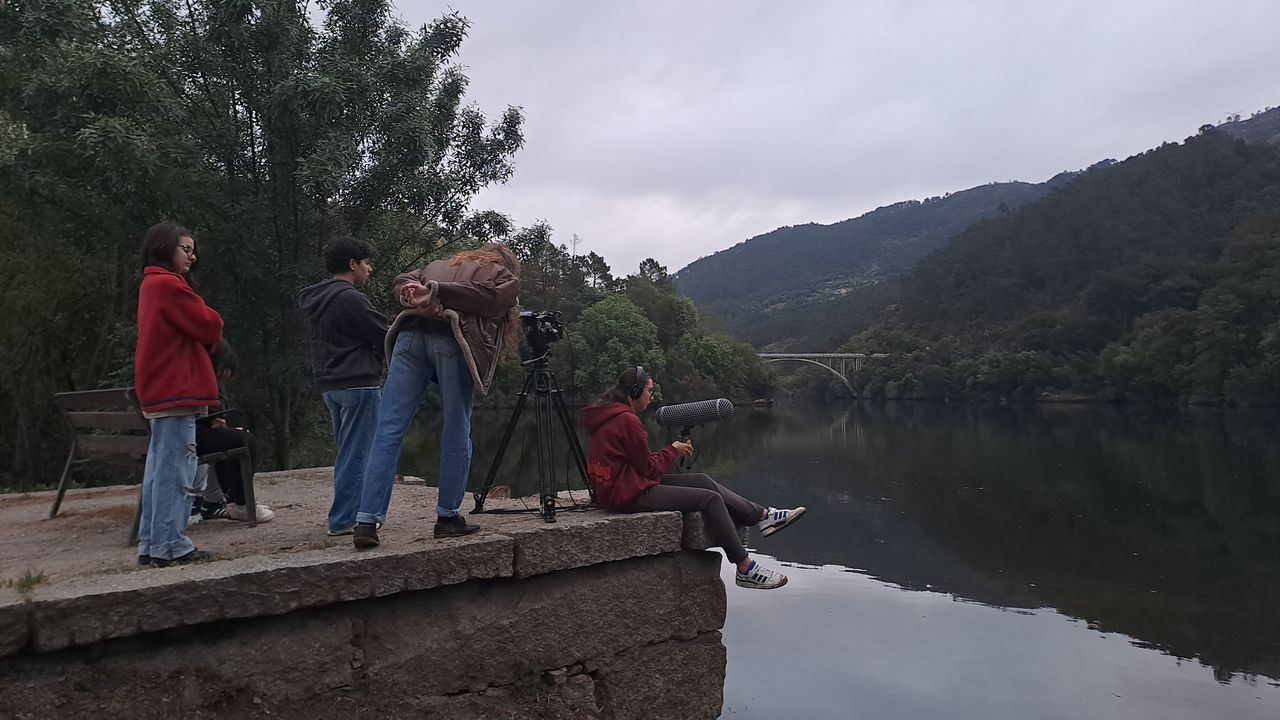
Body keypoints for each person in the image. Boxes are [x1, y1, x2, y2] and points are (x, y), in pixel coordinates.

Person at [351, 243, 521, 549]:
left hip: (409, 336)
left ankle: (366, 519)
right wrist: (439, 293)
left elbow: (403, 280)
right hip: (451, 339)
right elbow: (498, 299)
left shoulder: (437, 264)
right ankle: (448, 517)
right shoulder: (499, 272)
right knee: (457, 427)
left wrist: (418, 292)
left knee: (388, 428)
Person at [581, 367, 806, 590]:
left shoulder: (609, 415)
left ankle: (762, 516)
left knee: (702, 480)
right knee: (709, 499)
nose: (653, 395)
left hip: (621, 486)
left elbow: (636, 464)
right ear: (636, 390)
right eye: (650, 390)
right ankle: (745, 567)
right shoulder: (627, 421)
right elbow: (648, 469)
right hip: (627, 494)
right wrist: (672, 450)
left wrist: (669, 452)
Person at [134, 222, 223, 567]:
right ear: (164, 248)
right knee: (177, 470)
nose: (192, 256)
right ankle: (172, 544)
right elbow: (209, 323)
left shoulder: (150, 285)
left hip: (158, 389)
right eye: (186, 249)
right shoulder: (170, 285)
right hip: (176, 389)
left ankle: (152, 542)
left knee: (159, 470)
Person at [297, 237, 388, 536]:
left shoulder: (318, 300)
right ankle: (346, 519)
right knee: (359, 454)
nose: (370, 269)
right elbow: (384, 336)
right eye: (366, 263)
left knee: (348, 452)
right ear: (352, 265)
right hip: (358, 384)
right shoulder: (350, 298)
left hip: (331, 385)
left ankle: (348, 514)